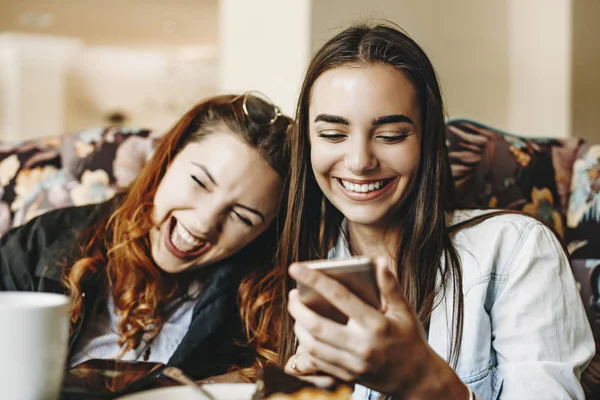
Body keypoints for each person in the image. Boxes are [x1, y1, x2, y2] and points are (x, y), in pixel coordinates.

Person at [244, 23, 596, 399]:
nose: (360, 161)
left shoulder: (516, 249)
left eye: (391, 135)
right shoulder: (302, 271)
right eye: (333, 135)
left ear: (427, 140)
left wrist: (423, 382)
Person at [0, 93, 292, 381]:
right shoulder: (41, 245)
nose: (204, 223)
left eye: (243, 217)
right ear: (167, 159)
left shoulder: (258, 316)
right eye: (199, 182)